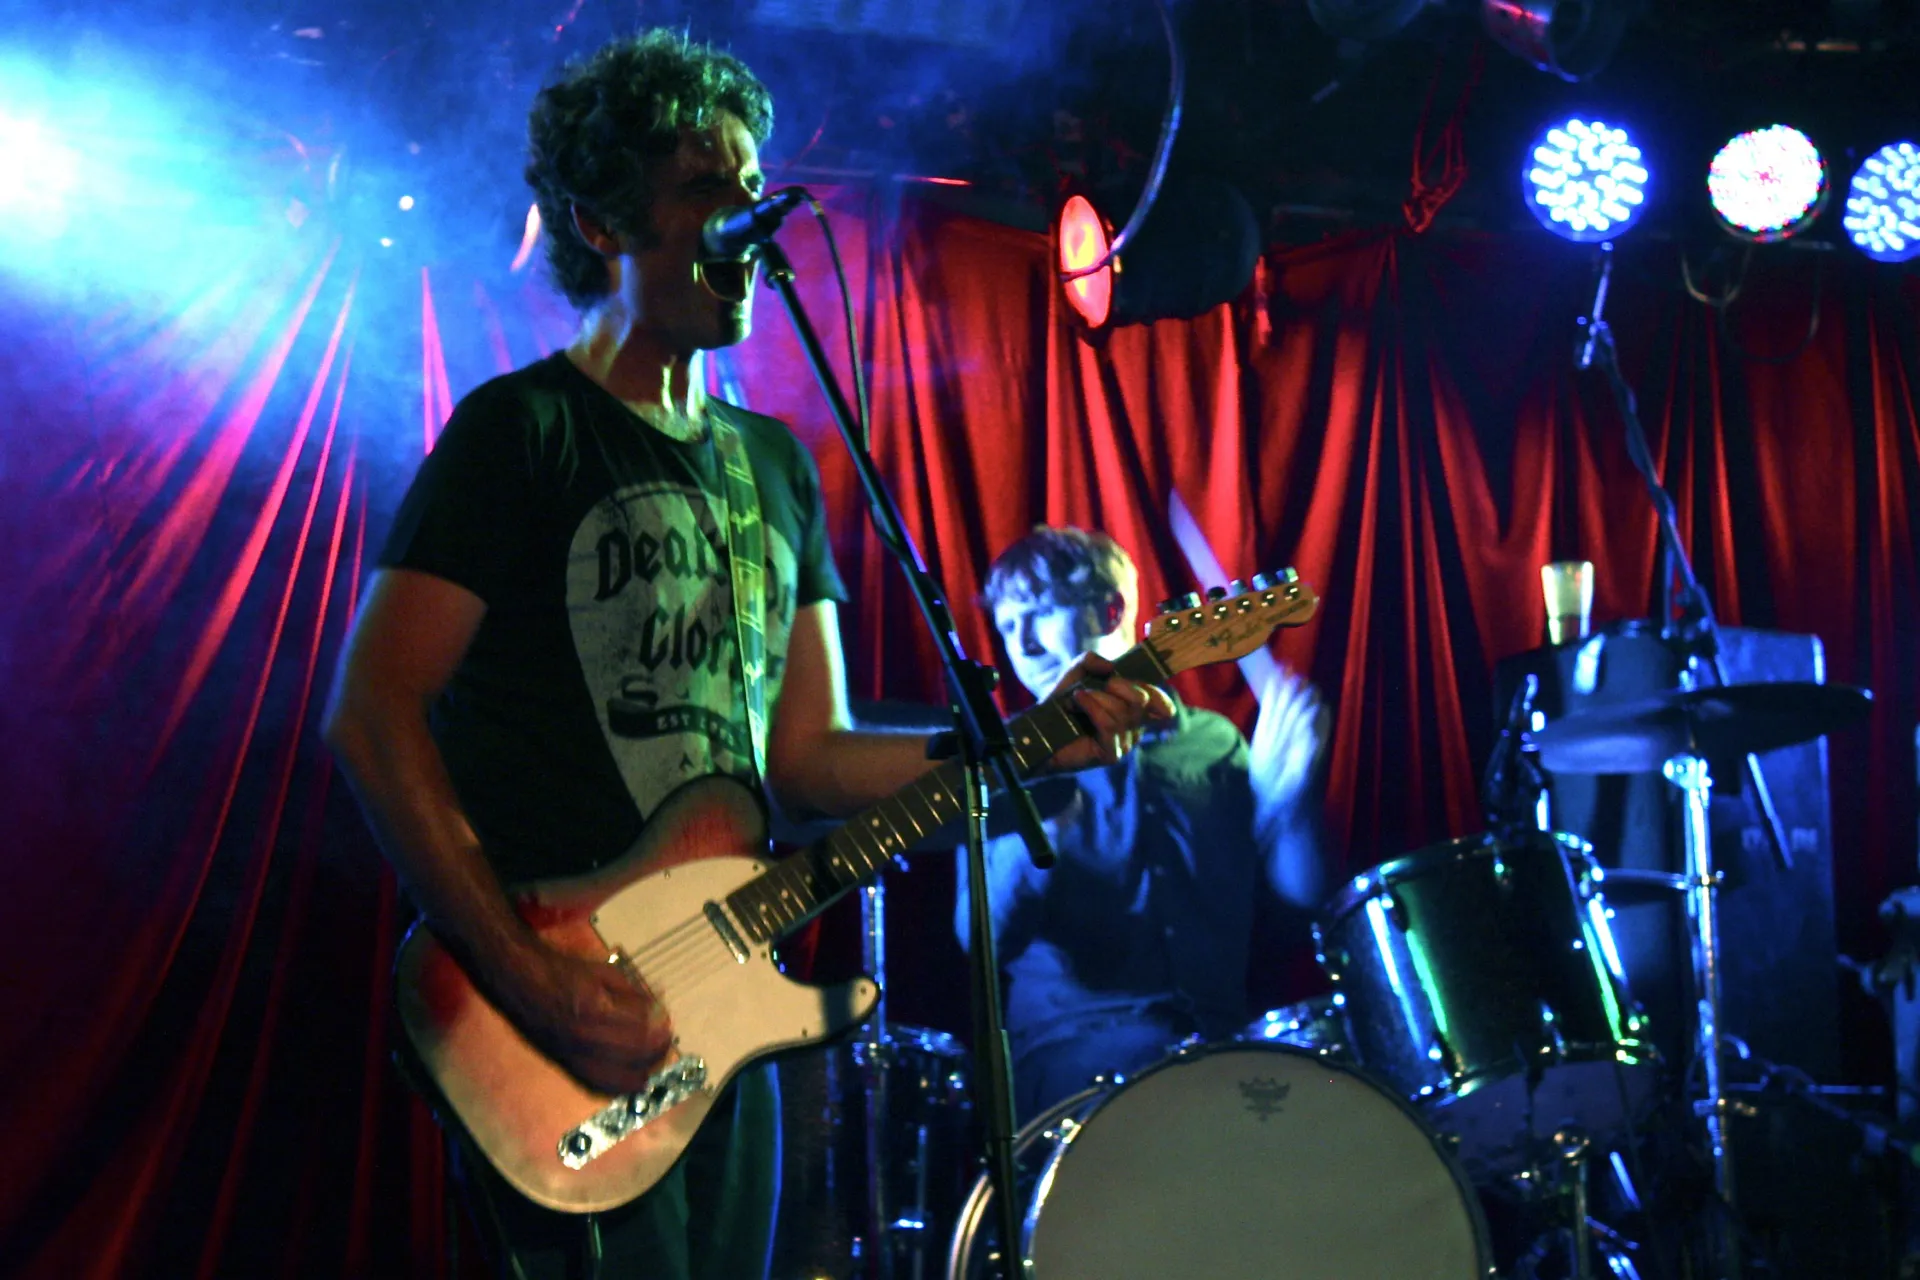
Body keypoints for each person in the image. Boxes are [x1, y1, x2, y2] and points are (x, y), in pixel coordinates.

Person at [320, 32, 1173, 1280]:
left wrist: (1033, 740)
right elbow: (372, 714)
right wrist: (528, 974)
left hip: (724, 1007)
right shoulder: (525, 432)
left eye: (749, 188)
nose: (745, 224)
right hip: (560, 1008)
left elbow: (810, 759)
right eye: (700, 195)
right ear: (603, 220)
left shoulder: (772, 465)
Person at [955, 526, 1331, 1121]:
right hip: (1071, 1061)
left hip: (1219, 1044)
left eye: (1040, 613)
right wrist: (1036, 847)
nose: (1021, 645)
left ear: (1111, 610)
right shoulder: (1009, 762)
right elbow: (979, 939)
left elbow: (1302, 897)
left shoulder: (1215, 744)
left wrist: (1291, 803)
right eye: (1006, 626)